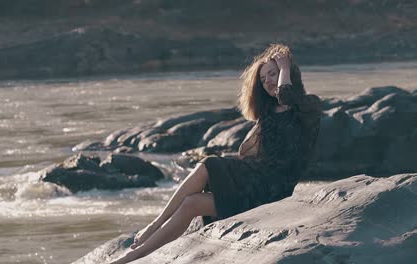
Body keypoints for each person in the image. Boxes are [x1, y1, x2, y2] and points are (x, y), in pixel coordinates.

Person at [109, 44, 322, 264]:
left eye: (273, 74)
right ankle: (135, 253)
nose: (267, 81)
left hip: (274, 190)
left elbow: (287, 96)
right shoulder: (269, 114)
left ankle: (148, 234)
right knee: (192, 203)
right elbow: (248, 153)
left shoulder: (309, 106)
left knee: (209, 164)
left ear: (288, 74)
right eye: (263, 78)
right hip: (256, 183)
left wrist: (285, 65)